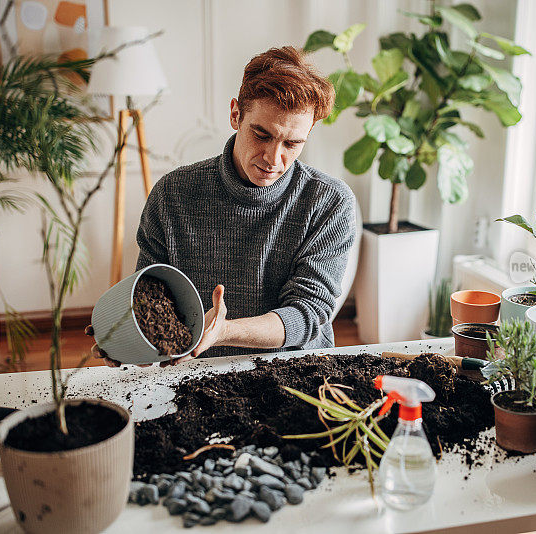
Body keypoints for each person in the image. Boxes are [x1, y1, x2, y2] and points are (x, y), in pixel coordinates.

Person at [90, 45, 356, 365]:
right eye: (261, 135)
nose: (274, 159)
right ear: (235, 115)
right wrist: (131, 340)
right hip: (194, 369)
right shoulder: (172, 195)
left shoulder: (329, 202)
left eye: (292, 143)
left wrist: (223, 331)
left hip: (294, 369)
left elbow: (307, 314)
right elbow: (151, 296)